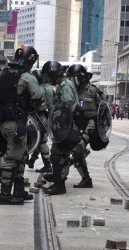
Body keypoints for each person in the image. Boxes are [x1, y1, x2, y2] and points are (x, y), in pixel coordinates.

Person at [0, 45, 42, 204]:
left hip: (1, 123)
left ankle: (19, 190)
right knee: (12, 159)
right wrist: (26, 106)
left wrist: (2, 106)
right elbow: (37, 98)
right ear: (29, 60)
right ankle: (4, 195)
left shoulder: (2, 74)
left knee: (22, 155)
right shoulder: (27, 77)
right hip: (17, 124)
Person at [41, 60, 79, 196]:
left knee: (59, 156)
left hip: (66, 126)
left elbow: (67, 106)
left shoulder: (65, 86)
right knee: (57, 154)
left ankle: (59, 185)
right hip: (62, 125)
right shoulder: (62, 85)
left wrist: (57, 114)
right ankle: (57, 179)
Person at [66, 63, 106, 188]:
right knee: (77, 151)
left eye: (75, 78)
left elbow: (103, 109)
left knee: (79, 148)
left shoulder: (92, 90)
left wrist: (101, 128)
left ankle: (66, 170)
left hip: (91, 124)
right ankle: (86, 179)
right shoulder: (72, 91)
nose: (73, 81)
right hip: (78, 124)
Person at [27, 64, 55, 174]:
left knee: (41, 141)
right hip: (48, 117)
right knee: (40, 140)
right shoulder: (51, 88)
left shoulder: (39, 89)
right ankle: (32, 161)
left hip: (39, 117)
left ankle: (47, 165)